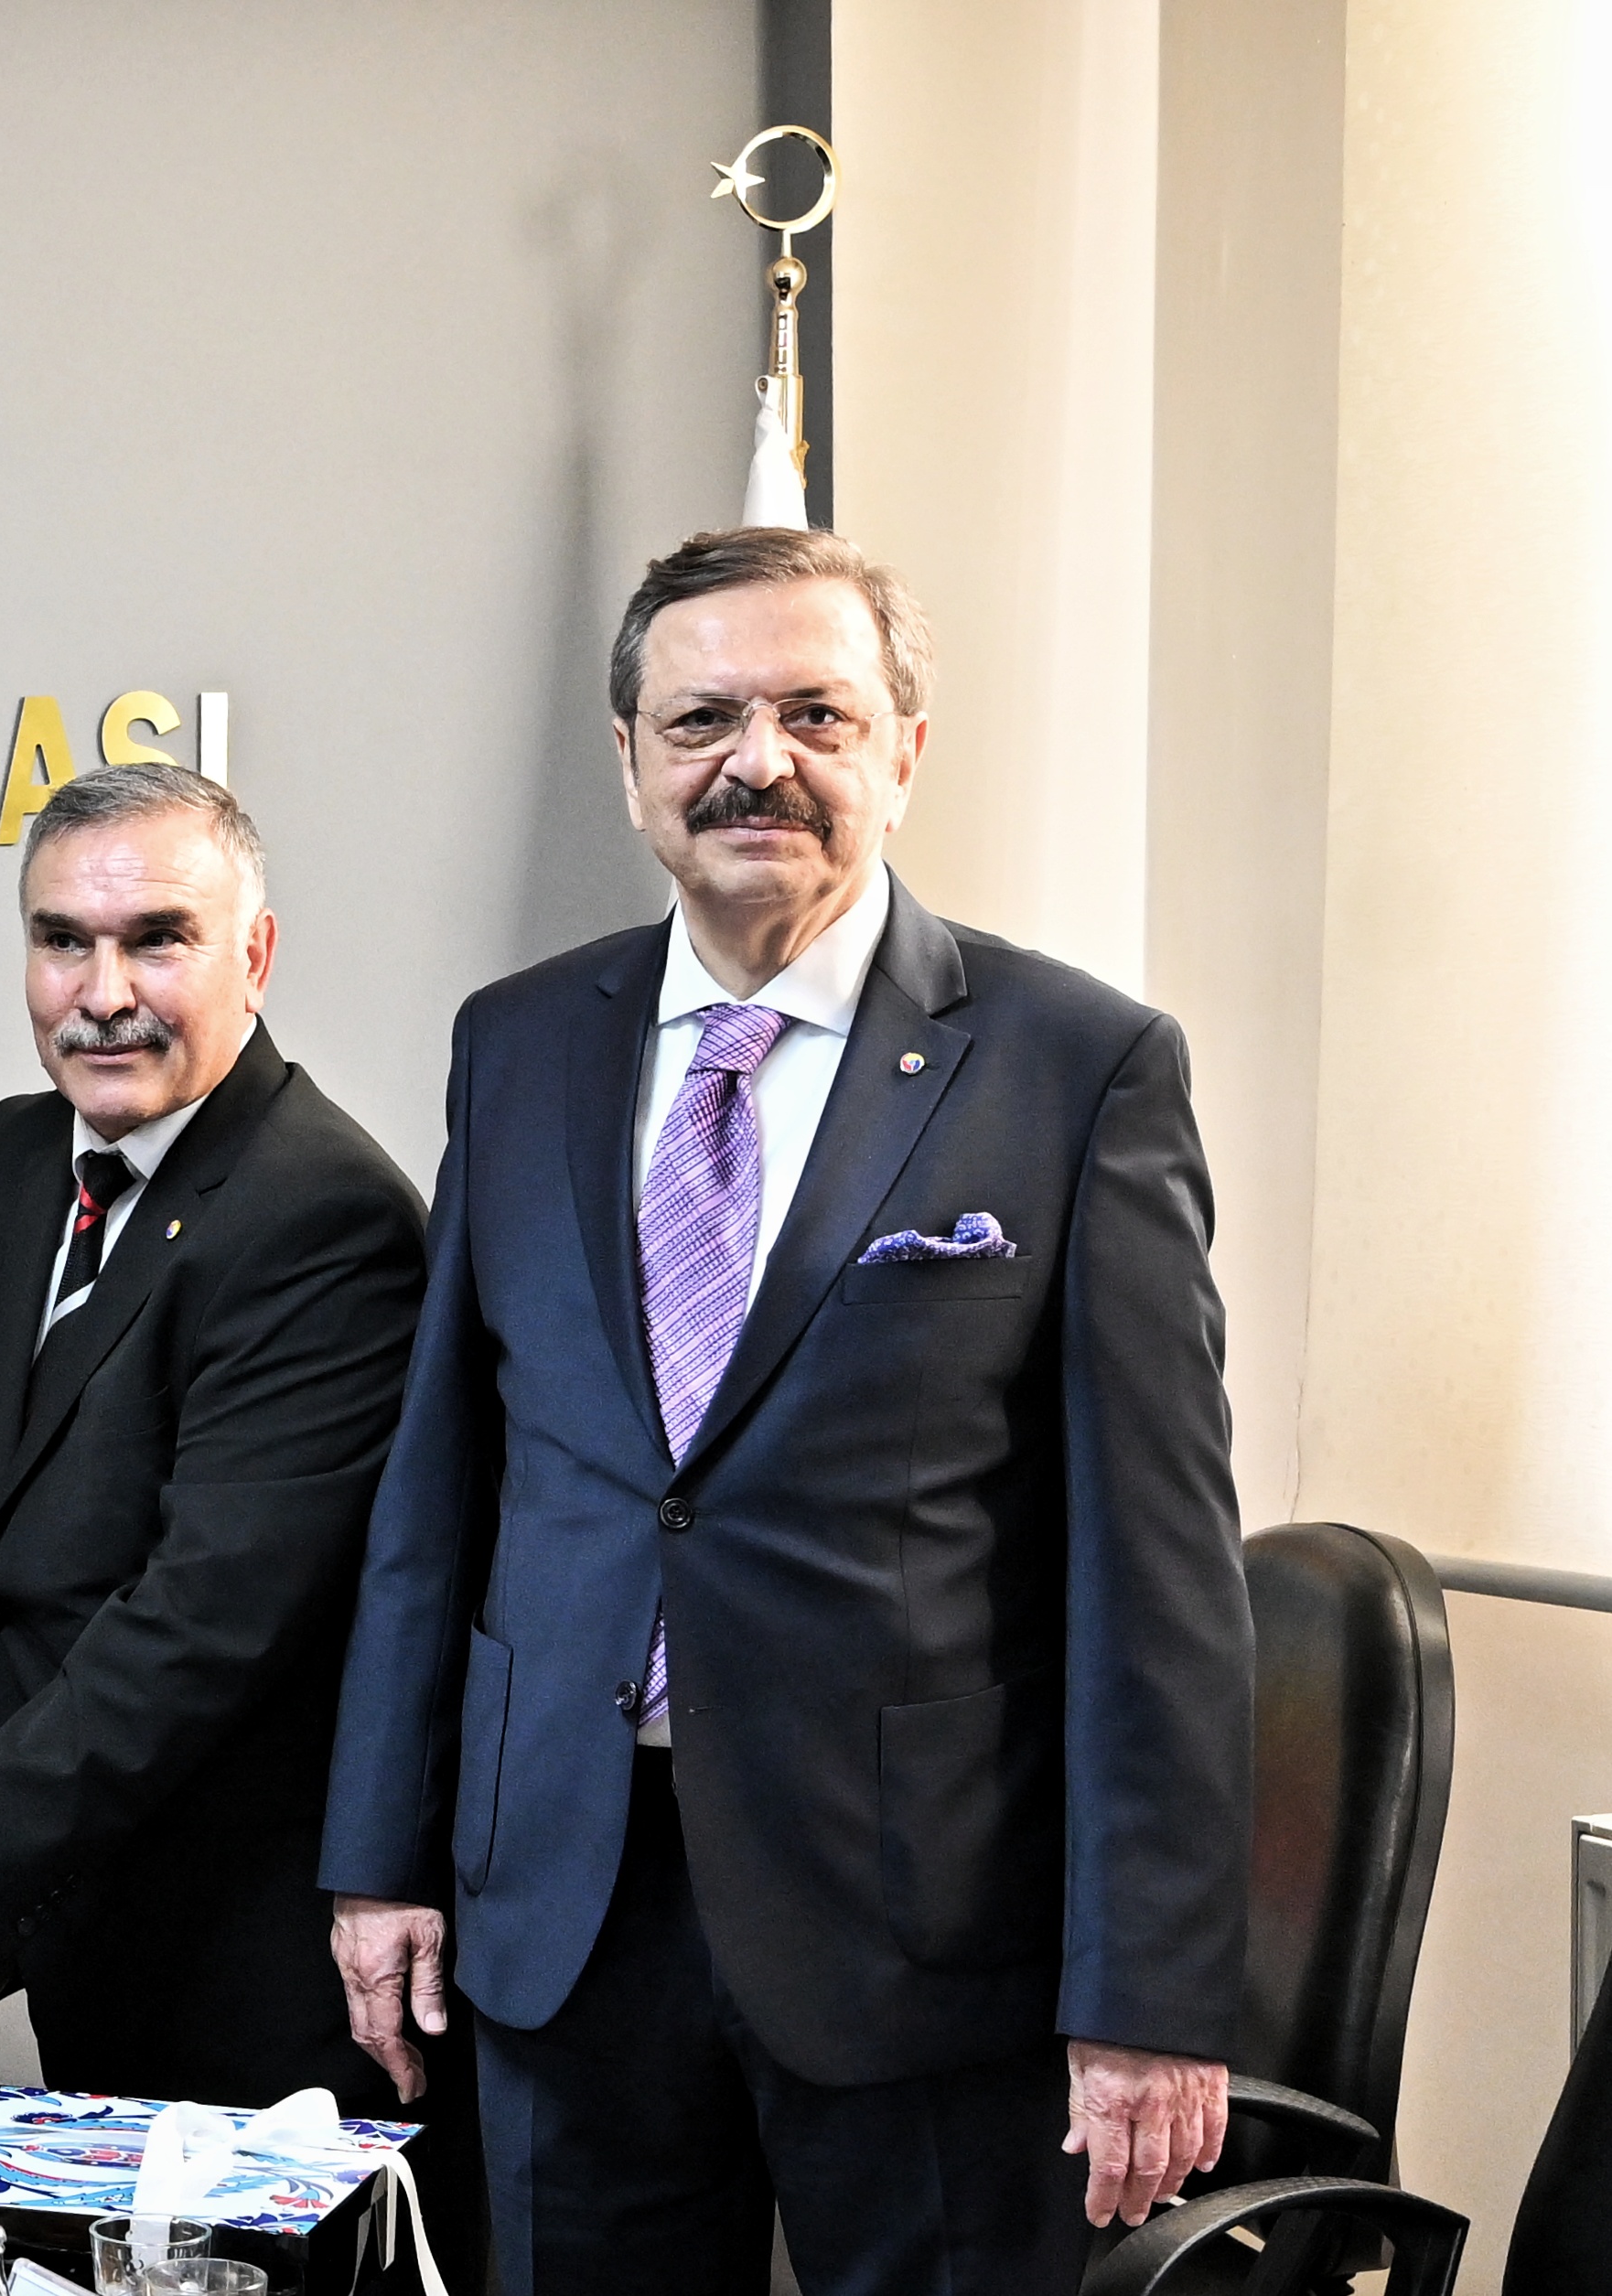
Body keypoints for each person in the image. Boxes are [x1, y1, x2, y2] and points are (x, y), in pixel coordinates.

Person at [318, 527, 1249, 2293]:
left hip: (918, 1934)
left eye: (815, 713)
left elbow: (1159, 1573)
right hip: (564, 1905)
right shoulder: (518, 1042)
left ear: (904, 748)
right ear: (628, 760)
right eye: (702, 720)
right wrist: (379, 1853)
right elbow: (439, 1489)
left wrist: (1146, 1988)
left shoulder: (1075, 1065)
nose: (757, 761)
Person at [0, 764, 478, 2269]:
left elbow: (202, 1621)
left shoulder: (321, 1216)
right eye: (61, 939)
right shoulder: (20, 1155)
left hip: (252, 1934)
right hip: (96, 1903)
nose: (102, 991)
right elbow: (12, 1422)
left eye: (156, 938)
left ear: (253, 954)